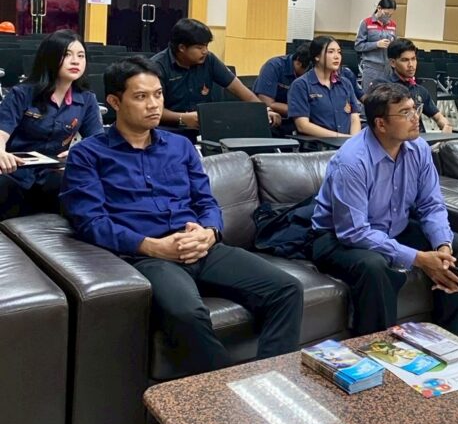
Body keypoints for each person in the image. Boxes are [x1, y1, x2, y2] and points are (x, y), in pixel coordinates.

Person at [60, 56, 303, 374]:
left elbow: (206, 202)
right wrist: (152, 246)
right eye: (141, 96)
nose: (154, 105)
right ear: (115, 102)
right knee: (186, 313)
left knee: (287, 289)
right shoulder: (88, 154)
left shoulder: (181, 147)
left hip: (201, 246)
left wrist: (210, 232)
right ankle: (224, 389)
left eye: (158, 94)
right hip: (148, 256)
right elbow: (91, 222)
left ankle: (272, 379)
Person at [311, 83, 458, 343]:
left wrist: (442, 248)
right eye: (405, 113)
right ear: (381, 124)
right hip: (338, 237)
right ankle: (377, 351)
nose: (415, 118)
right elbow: (354, 232)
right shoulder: (352, 161)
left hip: (393, 227)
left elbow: (431, 205)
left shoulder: (419, 149)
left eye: (415, 109)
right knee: (374, 267)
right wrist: (419, 258)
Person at [0, 30, 102, 220]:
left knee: (79, 184)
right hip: (14, 173)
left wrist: (79, 153)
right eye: (67, 55)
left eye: (81, 56)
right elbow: (1, 132)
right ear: (50, 58)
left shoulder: (87, 99)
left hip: (52, 173)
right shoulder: (22, 93)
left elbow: (97, 141)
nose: (76, 61)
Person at [151, 18, 279, 133]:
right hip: (168, 130)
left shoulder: (209, 60)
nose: (205, 51)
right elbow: (153, 109)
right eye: (199, 47)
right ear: (182, 48)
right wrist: (182, 118)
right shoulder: (157, 66)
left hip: (205, 126)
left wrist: (264, 110)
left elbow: (239, 89)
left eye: (206, 46)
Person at [288, 36, 363, 139]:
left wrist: (353, 140)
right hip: (318, 145)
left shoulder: (345, 83)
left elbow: (354, 116)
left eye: (339, 52)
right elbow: (302, 125)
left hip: (346, 143)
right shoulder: (301, 85)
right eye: (331, 52)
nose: (337, 56)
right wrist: (341, 138)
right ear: (317, 56)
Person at [387, 38, 452, 133]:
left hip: (418, 138)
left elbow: (438, 117)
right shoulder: (383, 87)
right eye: (405, 60)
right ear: (393, 63)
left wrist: (446, 125)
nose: (411, 65)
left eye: (413, 59)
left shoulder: (420, 90)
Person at [253, 44, 311, 131]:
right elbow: (266, 103)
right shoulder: (274, 66)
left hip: (299, 119)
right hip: (273, 119)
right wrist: (301, 111)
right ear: (298, 62)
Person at [354, 0, 397, 92]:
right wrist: (376, 44)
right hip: (371, 68)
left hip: (388, 68)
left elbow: (395, 45)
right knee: (369, 96)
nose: (388, 17)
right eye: (386, 14)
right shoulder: (366, 23)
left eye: (390, 15)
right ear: (379, 8)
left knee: (386, 97)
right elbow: (358, 46)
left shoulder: (393, 25)